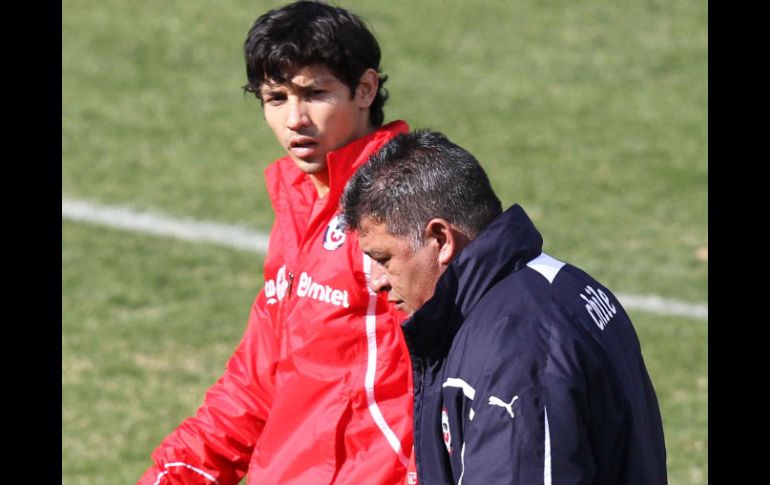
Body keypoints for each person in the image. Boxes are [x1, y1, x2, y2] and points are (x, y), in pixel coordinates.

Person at [137, 2, 415, 484]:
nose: (295, 119)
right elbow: (255, 384)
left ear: (365, 89)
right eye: (276, 98)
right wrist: (178, 474)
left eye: (315, 94)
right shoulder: (300, 203)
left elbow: (456, 389)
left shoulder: (404, 210)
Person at [340, 130, 668, 485]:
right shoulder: (551, 287)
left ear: (440, 239)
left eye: (383, 259)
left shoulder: (517, 347)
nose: (377, 281)